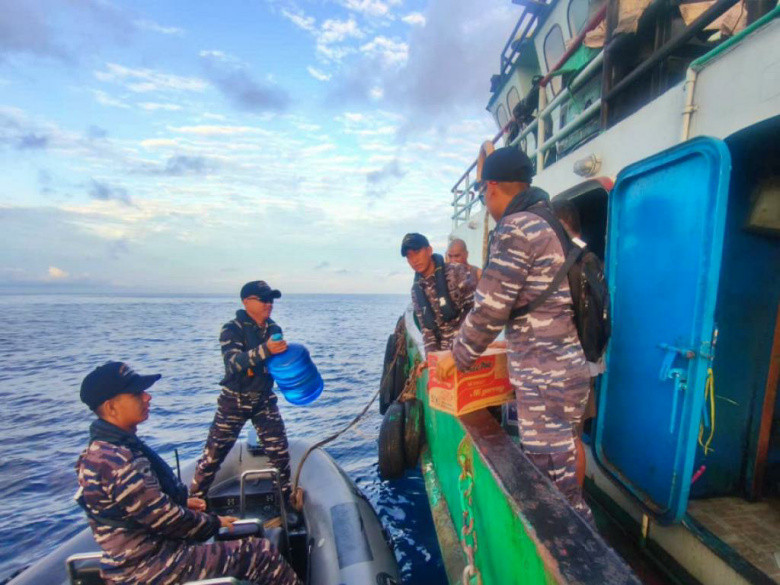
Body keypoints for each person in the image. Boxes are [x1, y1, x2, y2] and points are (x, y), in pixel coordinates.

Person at [436, 147, 593, 522]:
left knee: (553, 486)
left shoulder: (517, 227)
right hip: (567, 368)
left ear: (491, 187)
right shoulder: (550, 221)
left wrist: (454, 357)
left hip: (545, 379)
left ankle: (573, 559)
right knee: (567, 459)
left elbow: (490, 308)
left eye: (482, 194)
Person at [75, 361, 300, 585]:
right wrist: (214, 522)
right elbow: (167, 520)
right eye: (136, 394)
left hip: (140, 559)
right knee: (259, 553)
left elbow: (139, 508)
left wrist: (183, 501)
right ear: (111, 407)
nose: (147, 397)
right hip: (149, 567)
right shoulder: (117, 461)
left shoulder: (103, 451)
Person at [191, 281, 299, 513]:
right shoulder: (232, 329)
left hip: (263, 399)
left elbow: (276, 363)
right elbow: (233, 363)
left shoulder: (273, 328)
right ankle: (195, 503)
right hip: (235, 400)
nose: (269, 304)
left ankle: (285, 505)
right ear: (246, 301)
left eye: (271, 300)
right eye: (263, 300)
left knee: (279, 453)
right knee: (213, 455)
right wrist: (267, 350)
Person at [552, 198, 606, 487]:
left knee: (561, 441)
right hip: (588, 367)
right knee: (573, 438)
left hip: (564, 370)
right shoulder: (592, 261)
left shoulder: (565, 263)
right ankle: (575, 500)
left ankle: (565, 500)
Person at [402, 233, 476, 354]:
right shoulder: (416, 291)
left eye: (417, 252)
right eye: (409, 257)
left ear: (429, 250)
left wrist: (458, 348)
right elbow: (427, 329)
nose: (414, 260)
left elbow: (477, 310)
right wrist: (431, 358)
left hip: (467, 350)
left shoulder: (457, 272)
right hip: (443, 356)